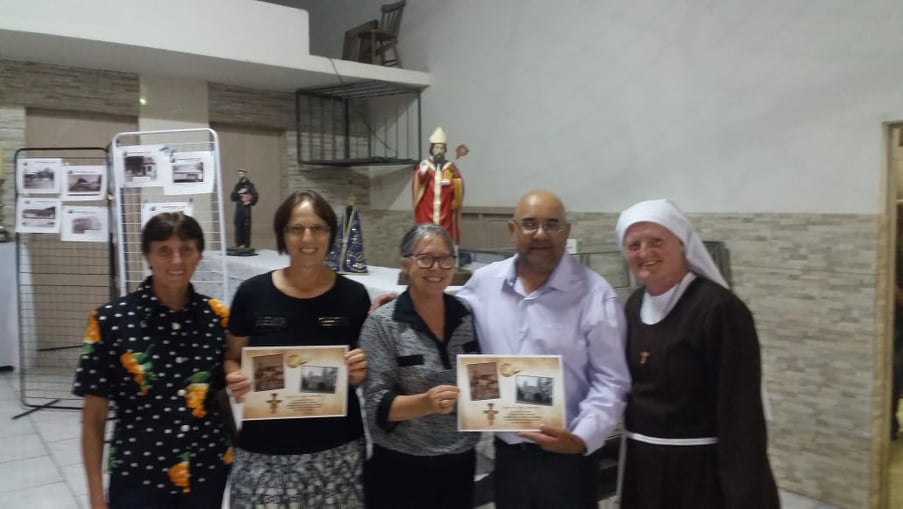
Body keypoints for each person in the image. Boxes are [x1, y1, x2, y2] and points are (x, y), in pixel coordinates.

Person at [456, 189, 630, 509]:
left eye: (552, 224)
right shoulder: (484, 283)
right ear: (512, 230)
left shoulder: (595, 294)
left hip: (568, 459)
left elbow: (612, 380)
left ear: (566, 231)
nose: (540, 234)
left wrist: (580, 438)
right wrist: (399, 303)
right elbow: (446, 311)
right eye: (529, 224)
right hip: (509, 456)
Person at [614, 198, 779, 508]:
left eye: (656, 241)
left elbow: (740, 408)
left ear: (681, 243)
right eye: (634, 245)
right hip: (642, 462)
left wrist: (743, 489)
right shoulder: (634, 305)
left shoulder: (719, 309)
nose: (644, 253)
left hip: (699, 469)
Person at [73, 212, 232, 509]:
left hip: (206, 471)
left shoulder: (217, 317)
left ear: (199, 255)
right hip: (138, 476)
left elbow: (220, 396)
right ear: (147, 255)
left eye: (186, 249)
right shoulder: (109, 321)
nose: (176, 260)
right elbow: (94, 417)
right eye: (164, 250)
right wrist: (95, 495)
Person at [224, 190, 371, 508]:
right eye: (296, 228)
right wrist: (235, 377)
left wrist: (360, 369)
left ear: (330, 234)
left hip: (337, 448)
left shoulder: (354, 296)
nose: (307, 238)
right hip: (265, 448)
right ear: (282, 234)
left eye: (318, 228)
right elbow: (232, 357)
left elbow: (362, 364)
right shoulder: (252, 293)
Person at [360, 223, 481, 509]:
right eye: (425, 258)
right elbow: (376, 405)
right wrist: (425, 403)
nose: (436, 267)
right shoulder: (383, 324)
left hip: (460, 462)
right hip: (401, 466)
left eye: (445, 259)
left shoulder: (467, 315)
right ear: (406, 264)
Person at [412, 126, 468, 247]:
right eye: (437, 147)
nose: (439, 150)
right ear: (432, 149)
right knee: (426, 232)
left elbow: (458, 184)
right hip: (427, 206)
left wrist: (452, 183)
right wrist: (422, 173)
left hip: (445, 206)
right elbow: (419, 181)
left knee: (445, 234)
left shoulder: (450, 167)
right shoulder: (425, 165)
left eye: (442, 148)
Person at [230, 168, 258, 248]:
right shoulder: (237, 185)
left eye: (241, 174)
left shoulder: (250, 185)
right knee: (238, 224)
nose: (240, 175)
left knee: (246, 225)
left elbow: (255, 195)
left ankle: (245, 245)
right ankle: (239, 244)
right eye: (239, 174)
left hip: (246, 208)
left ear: (245, 174)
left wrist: (250, 201)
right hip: (238, 207)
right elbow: (233, 197)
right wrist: (239, 193)